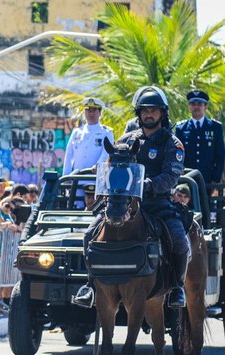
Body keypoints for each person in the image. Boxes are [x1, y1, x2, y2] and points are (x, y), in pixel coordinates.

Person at [75, 86, 188, 309]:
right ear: (138, 113)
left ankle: (177, 287)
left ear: (162, 113)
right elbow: (111, 168)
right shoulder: (126, 139)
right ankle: (89, 286)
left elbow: (171, 176)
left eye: (154, 110)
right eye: (145, 110)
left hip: (157, 203)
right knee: (89, 235)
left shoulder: (172, 143)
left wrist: (146, 185)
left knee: (179, 240)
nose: (149, 114)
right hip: (123, 203)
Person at [173, 89, 225, 184]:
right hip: (187, 179)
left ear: (205, 107)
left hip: (208, 179)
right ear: (189, 107)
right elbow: (177, 155)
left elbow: (220, 156)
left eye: (200, 104)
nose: (196, 107)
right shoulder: (181, 128)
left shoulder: (215, 127)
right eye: (193, 104)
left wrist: (216, 179)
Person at [63, 98, 114, 177]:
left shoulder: (106, 133)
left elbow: (107, 153)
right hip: (77, 179)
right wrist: (66, 176)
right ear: (84, 112)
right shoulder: (77, 132)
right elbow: (69, 156)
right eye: (88, 110)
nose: (91, 114)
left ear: (100, 113)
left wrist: (98, 165)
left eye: (94, 110)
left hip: (96, 178)